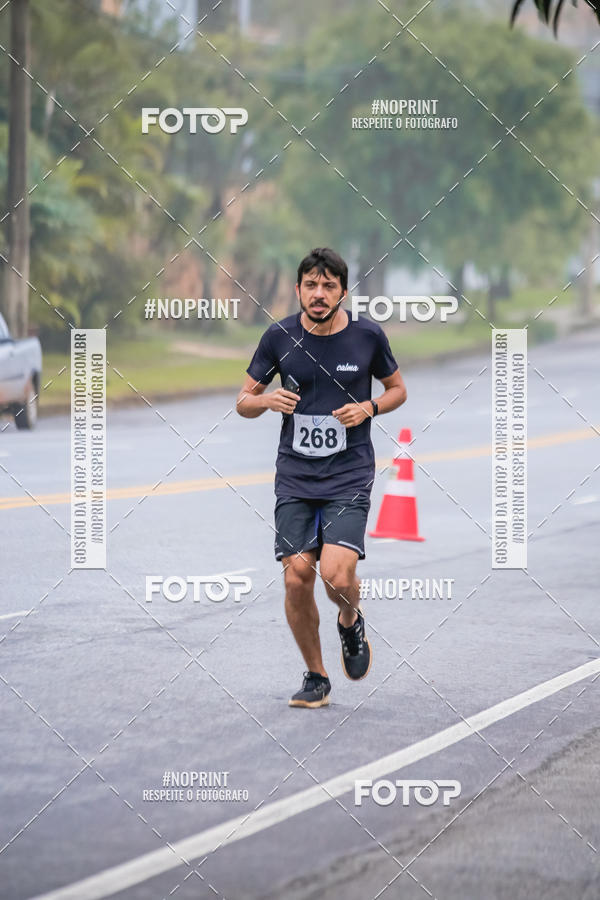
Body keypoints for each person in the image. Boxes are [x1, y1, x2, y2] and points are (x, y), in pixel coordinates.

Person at [236, 248, 407, 707]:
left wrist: (369, 407)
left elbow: (397, 390)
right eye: (310, 285)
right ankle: (316, 676)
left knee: (335, 575)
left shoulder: (367, 336)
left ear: (342, 292)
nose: (318, 293)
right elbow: (243, 401)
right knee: (296, 576)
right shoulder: (278, 337)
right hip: (295, 476)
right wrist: (266, 400)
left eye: (328, 286)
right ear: (298, 290)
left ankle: (350, 620)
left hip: (348, 473)